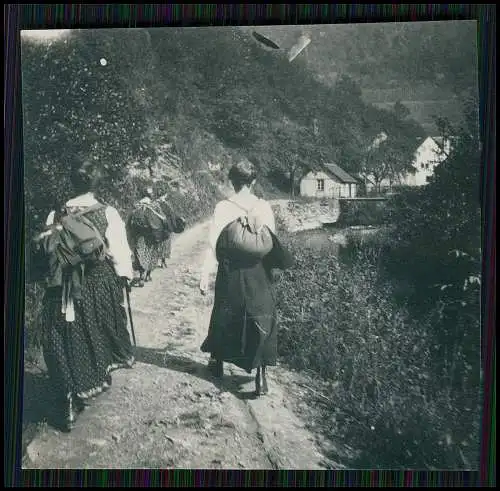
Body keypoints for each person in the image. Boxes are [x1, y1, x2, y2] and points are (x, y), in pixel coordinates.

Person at [37, 159, 135, 432]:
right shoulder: (108, 213)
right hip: (96, 282)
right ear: (96, 184)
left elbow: (47, 252)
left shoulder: (55, 214)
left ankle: (67, 397)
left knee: (62, 336)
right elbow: (119, 250)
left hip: (61, 285)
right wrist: (125, 274)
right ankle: (93, 378)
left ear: (72, 182)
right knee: (98, 329)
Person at [199, 159, 294, 396]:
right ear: (253, 181)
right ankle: (261, 374)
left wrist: (205, 275)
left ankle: (217, 361)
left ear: (231, 182)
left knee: (224, 312)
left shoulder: (223, 207)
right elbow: (270, 243)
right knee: (260, 317)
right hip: (258, 271)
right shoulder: (263, 206)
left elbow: (212, 244)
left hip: (230, 270)